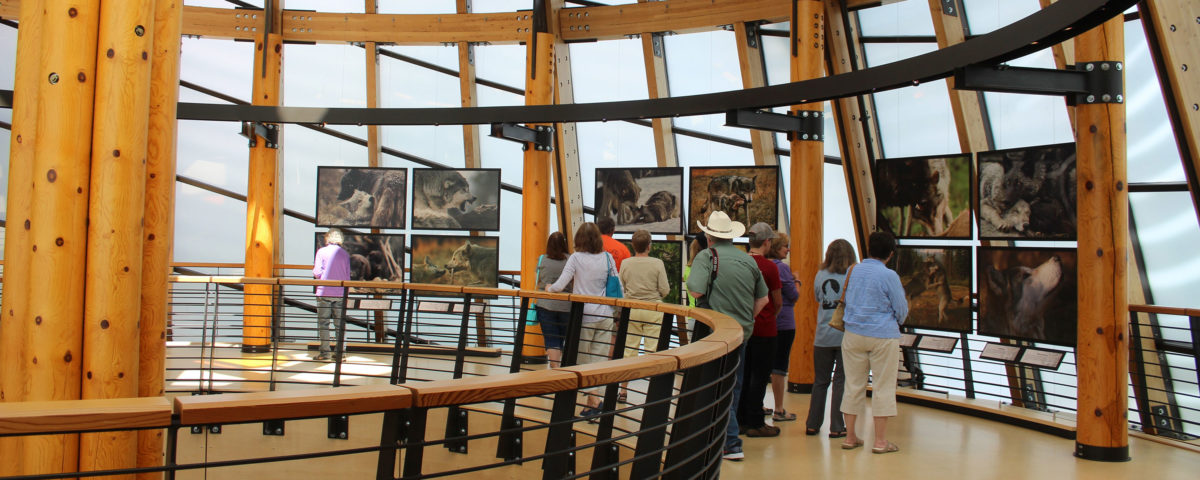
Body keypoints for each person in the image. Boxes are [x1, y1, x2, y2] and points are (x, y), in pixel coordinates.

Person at [686, 211, 768, 462]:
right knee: (734, 386)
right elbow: (763, 299)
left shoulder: (706, 257)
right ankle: (724, 439)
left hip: (713, 335)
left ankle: (729, 442)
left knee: (711, 387)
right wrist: (745, 322)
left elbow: (697, 291)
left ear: (709, 235)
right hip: (741, 334)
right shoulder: (748, 261)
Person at [839, 232, 907, 454]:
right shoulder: (890, 276)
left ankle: (850, 437)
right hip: (883, 336)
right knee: (883, 387)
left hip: (852, 334)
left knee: (853, 385)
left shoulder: (853, 270)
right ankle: (879, 441)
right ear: (890, 253)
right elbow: (901, 309)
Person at [546, 222, 621, 417]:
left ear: (579, 239)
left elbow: (560, 285)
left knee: (583, 360)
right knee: (598, 360)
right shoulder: (607, 258)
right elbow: (617, 283)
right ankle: (592, 403)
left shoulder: (576, 258)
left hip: (584, 316)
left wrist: (548, 288)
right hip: (605, 315)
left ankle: (594, 400)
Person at [806, 238, 856, 437]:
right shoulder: (852, 275)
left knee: (820, 382)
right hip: (845, 336)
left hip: (822, 336)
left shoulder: (820, 274)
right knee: (840, 382)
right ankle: (836, 427)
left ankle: (812, 424)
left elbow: (818, 298)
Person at [737, 223, 782, 438]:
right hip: (765, 329)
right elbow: (777, 300)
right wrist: (771, 315)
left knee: (744, 375)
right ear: (767, 242)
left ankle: (741, 419)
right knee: (760, 376)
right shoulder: (770, 267)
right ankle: (756, 421)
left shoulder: (740, 262)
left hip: (744, 328)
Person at [617, 229, 670, 401]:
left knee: (629, 350)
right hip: (653, 310)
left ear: (633, 245)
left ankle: (623, 391)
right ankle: (653, 393)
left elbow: (621, 286)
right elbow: (665, 290)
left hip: (631, 309)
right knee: (653, 351)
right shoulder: (657, 263)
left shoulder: (625, 263)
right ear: (649, 246)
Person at [766, 232, 800, 423]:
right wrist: (798, 280)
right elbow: (794, 295)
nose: (788, 249)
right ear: (777, 247)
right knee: (779, 367)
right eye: (785, 246)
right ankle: (779, 408)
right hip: (784, 323)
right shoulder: (783, 269)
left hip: (767, 322)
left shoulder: (763, 266)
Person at [313, 228, 352, 362]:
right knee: (340, 325)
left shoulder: (321, 252)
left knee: (323, 324)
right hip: (340, 293)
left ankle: (325, 353)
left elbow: (317, 272)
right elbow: (347, 276)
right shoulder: (345, 254)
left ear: (327, 238)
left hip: (324, 292)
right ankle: (340, 353)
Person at [535, 232, 573, 368]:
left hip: (545, 304)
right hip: (566, 305)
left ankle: (555, 366)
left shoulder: (542, 260)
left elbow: (538, 280)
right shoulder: (570, 260)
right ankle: (558, 364)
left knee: (551, 337)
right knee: (562, 336)